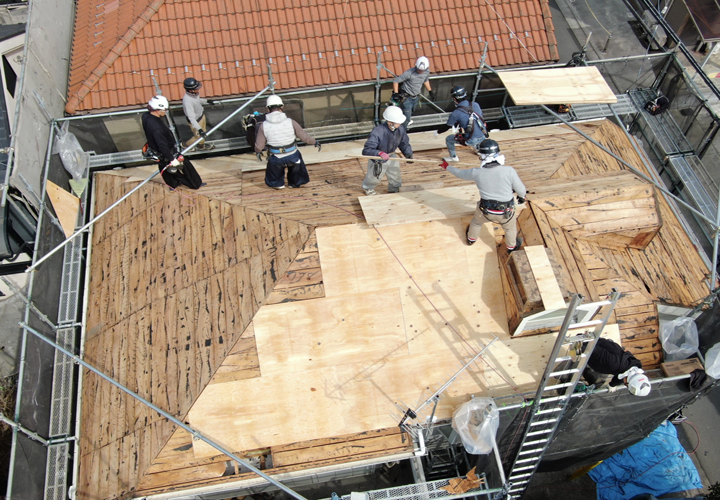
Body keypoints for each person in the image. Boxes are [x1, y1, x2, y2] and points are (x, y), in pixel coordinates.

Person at [440, 138, 525, 251]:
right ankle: (511, 247)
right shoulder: (509, 171)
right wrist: (521, 197)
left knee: (476, 223)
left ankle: (471, 239)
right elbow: (521, 190)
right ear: (498, 153)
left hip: (485, 210)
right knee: (510, 229)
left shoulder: (476, 172)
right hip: (506, 212)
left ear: (481, 155)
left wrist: (447, 166)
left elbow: (459, 173)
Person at [254, 95, 321, 189]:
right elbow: (304, 137)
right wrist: (315, 142)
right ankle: (294, 183)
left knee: (274, 175)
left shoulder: (263, 126)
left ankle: (278, 184)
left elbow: (259, 145)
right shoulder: (291, 122)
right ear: (282, 106)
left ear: (268, 108)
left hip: (276, 158)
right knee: (297, 167)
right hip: (293, 155)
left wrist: (258, 151)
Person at [142, 95, 203, 189]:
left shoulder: (146, 116)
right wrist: (172, 159)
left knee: (164, 166)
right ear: (157, 109)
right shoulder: (156, 128)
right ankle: (195, 184)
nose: (165, 112)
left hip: (156, 150)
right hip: (166, 151)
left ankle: (172, 184)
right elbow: (162, 145)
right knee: (184, 166)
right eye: (164, 110)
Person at [362, 106, 413, 196]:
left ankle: (394, 189)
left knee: (395, 174)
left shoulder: (400, 129)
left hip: (391, 155)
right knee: (374, 177)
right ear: (390, 122)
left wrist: (408, 153)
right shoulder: (378, 131)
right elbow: (367, 150)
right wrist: (379, 153)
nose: (400, 124)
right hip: (377, 158)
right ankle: (368, 188)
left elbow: (404, 143)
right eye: (398, 122)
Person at [434, 85, 486, 162]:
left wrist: (437, 132)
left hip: (471, 139)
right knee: (474, 132)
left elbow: (447, 126)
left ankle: (453, 157)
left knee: (449, 139)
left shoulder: (456, 113)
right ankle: (478, 149)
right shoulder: (475, 105)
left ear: (454, 99)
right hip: (483, 135)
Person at [584, 338, 651, 396]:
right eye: (626, 384)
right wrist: (578, 347)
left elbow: (622, 375)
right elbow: (591, 348)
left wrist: (612, 384)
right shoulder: (612, 364)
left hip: (596, 357)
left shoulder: (633, 366)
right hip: (588, 346)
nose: (625, 384)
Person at [392, 56, 434, 125]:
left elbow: (425, 80)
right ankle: (402, 133)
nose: (420, 71)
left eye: (422, 71)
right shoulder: (409, 73)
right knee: (406, 118)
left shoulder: (426, 72)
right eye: (418, 70)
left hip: (415, 97)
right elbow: (396, 81)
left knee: (411, 111)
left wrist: (430, 91)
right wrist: (396, 93)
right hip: (406, 98)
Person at [182, 77, 216, 151]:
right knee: (198, 136)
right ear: (191, 90)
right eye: (196, 88)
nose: (198, 89)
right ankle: (186, 145)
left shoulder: (194, 94)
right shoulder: (187, 101)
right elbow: (191, 118)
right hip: (195, 121)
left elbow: (197, 100)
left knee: (204, 132)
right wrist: (199, 129)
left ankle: (201, 146)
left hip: (201, 116)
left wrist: (207, 101)